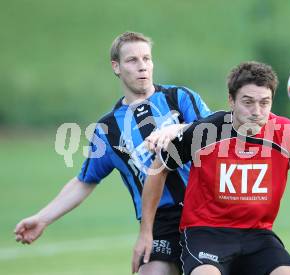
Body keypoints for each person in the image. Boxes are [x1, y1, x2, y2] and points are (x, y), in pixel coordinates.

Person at [134, 61, 290, 275]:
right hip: (206, 233)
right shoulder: (206, 131)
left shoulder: (285, 133)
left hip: (256, 235)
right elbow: (160, 167)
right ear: (231, 100)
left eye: (264, 103)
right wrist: (147, 232)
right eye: (248, 102)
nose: (257, 111)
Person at [14, 31, 211, 275]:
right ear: (116, 67)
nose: (142, 67)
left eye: (146, 59)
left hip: (204, 207)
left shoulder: (179, 98)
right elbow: (84, 181)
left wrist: (176, 129)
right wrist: (42, 218)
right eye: (132, 61)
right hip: (159, 220)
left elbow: (214, 129)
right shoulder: (108, 129)